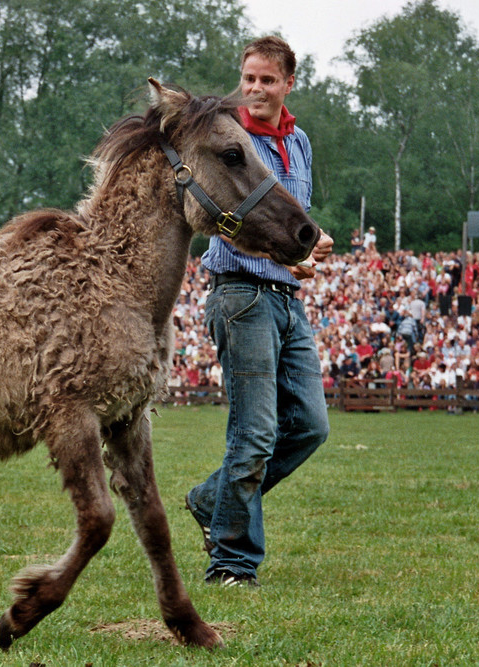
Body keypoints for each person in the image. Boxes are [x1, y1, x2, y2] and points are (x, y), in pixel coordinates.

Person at [185, 36, 333, 588]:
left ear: (288, 84)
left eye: (267, 80)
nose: (254, 88)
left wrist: (311, 248)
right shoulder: (228, 140)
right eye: (248, 78)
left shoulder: (301, 144)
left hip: (287, 302)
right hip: (240, 294)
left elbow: (291, 220)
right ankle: (231, 563)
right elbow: (222, 221)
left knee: (311, 428)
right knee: (255, 434)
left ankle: (210, 499)